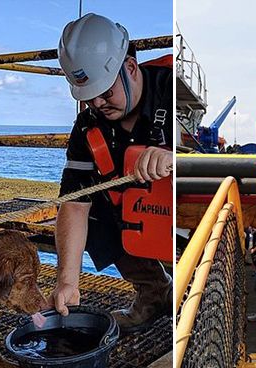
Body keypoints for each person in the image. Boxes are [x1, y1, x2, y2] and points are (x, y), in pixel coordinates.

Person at [50, 13, 173, 334]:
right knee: (92, 213)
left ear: (130, 68)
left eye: (105, 91)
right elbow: (74, 204)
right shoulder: (88, 128)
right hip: (140, 213)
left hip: (183, 214)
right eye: (88, 96)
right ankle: (154, 291)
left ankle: (194, 298)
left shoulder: (174, 92)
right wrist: (67, 282)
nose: (97, 102)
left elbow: (213, 161)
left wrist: (175, 158)